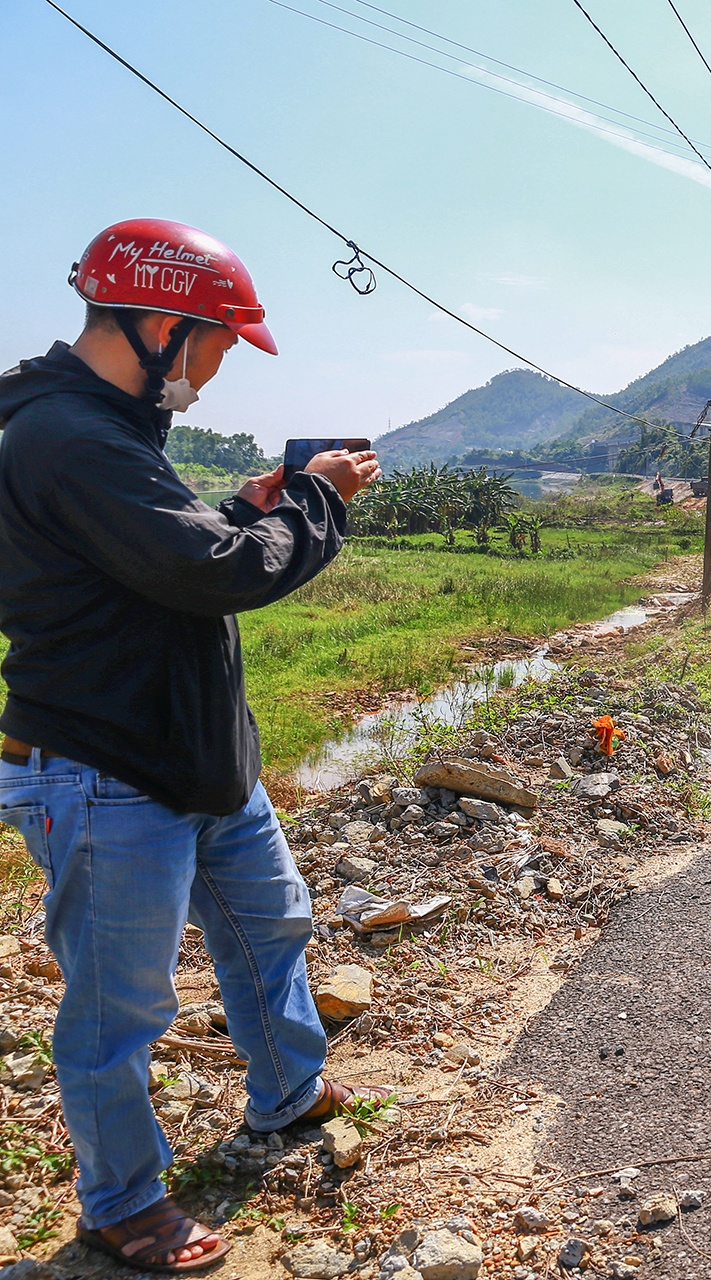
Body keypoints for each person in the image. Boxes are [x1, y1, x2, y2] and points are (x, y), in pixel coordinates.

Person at [0, 219, 388, 1271]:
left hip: (191, 754)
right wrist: (315, 499)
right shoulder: (68, 435)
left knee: (270, 925)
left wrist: (237, 508)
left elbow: (160, 557)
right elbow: (214, 573)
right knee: (119, 1005)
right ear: (163, 325)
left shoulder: (109, 429)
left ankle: (288, 1090)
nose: (217, 369)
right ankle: (121, 1200)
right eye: (219, 343)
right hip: (106, 768)